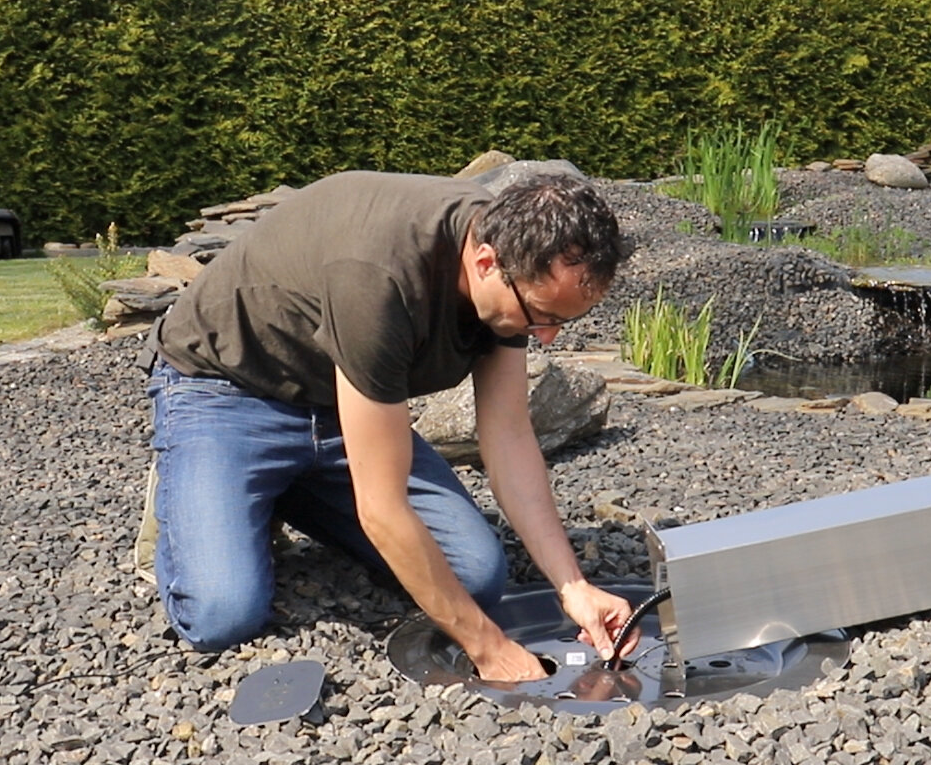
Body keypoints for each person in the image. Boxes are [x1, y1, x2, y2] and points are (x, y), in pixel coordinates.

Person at [140, 169, 637, 681]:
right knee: (223, 614)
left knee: (477, 579)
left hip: (341, 404)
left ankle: (275, 491)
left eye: (562, 321)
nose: (549, 337)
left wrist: (572, 587)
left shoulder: (513, 258)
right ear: (486, 262)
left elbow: (508, 435)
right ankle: (198, 481)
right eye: (540, 316)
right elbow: (382, 508)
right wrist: (487, 648)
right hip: (225, 390)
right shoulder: (379, 277)